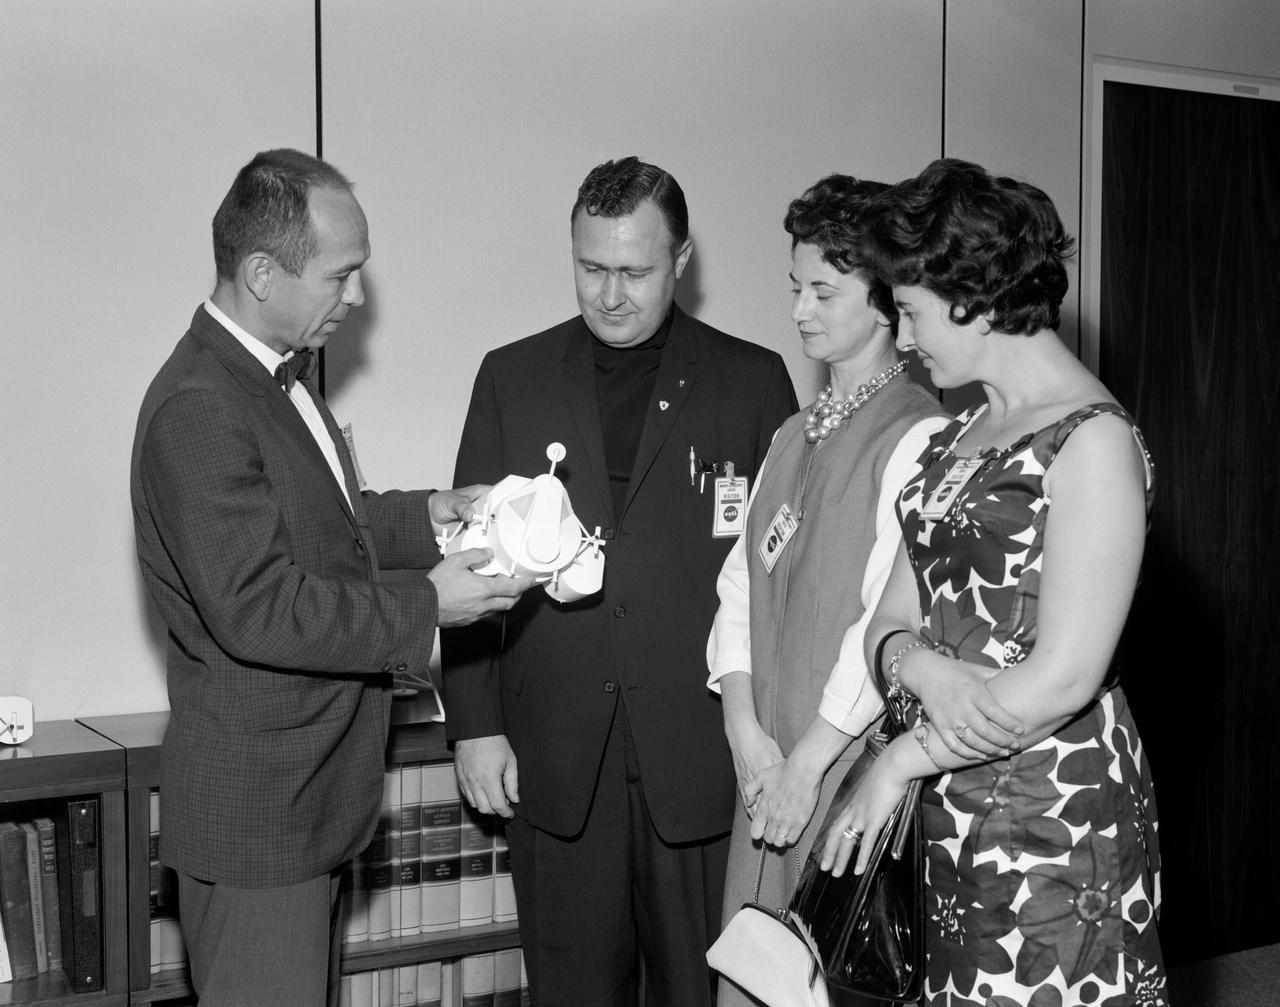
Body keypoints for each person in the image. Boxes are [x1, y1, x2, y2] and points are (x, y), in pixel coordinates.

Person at [130, 148, 531, 1007]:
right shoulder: (199, 406)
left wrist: (434, 514)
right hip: (259, 823)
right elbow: (261, 607)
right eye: (341, 276)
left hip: (306, 807)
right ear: (262, 274)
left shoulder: (277, 373)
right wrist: (430, 604)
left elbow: (327, 524)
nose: (357, 298)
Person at [442, 156, 797, 1006]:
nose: (609, 294)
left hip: (703, 755)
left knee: (700, 991)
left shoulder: (753, 382)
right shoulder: (511, 377)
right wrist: (475, 726)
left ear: (681, 261)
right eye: (591, 268)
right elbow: (470, 564)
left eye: (634, 271)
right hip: (556, 755)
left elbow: (783, 580)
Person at [820, 158, 1167, 1006]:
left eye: (911, 310)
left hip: (1052, 808)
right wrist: (921, 668)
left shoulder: (1092, 440)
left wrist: (899, 762)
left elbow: (1065, 678)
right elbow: (887, 618)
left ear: (970, 296)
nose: (904, 337)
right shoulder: (958, 433)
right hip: (946, 796)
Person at [704, 174, 949, 1006]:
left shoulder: (918, 433)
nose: (800, 311)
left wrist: (805, 764)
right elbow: (741, 584)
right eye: (794, 287)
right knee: (750, 969)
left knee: (818, 979)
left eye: (823, 291)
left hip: (839, 768)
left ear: (884, 303)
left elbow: (887, 618)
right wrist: (743, 730)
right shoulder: (790, 432)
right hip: (768, 764)